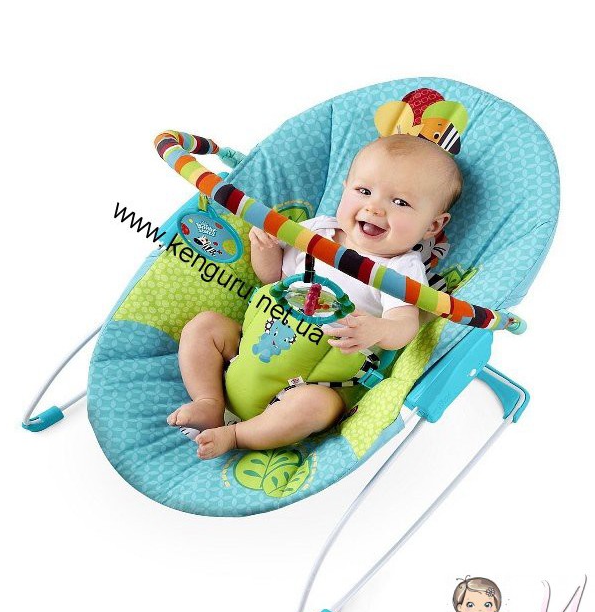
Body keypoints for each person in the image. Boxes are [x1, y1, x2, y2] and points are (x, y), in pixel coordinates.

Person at [167, 133, 462, 460]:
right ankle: (208, 401)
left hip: (316, 383)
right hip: (253, 346)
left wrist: (378, 330)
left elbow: (405, 325)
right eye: (364, 191)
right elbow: (273, 279)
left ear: (432, 226)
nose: (374, 208)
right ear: (345, 188)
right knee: (205, 326)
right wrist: (264, 249)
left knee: (315, 406)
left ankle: (236, 435)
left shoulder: (401, 270)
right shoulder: (316, 232)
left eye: (400, 202)